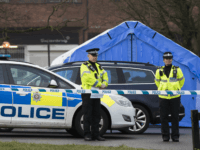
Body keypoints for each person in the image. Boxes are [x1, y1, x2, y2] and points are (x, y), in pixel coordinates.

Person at [154, 52, 185, 142]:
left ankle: (175, 136)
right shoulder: (159, 70)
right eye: (166, 59)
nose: (168, 60)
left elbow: (182, 81)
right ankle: (165, 136)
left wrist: (176, 88)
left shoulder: (177, 69)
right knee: (163, 117)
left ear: (172, 59)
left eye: (170, 58)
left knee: (175, 117)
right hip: (163, 97)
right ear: (164, 60)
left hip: (175, 97)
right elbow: (157, 82)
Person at [80, 48, 108, 141]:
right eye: (93, 56)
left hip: (97, 93)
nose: (94, 57)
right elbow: (88, 79)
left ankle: (96, 134)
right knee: (87, 114)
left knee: (97, 114)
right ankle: (87, 134)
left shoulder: (99, 66)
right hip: (88, 92)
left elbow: (105, 75)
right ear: (88, 56)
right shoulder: (84, 66)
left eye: (96, 56)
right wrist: (101, 84)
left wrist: (105, 84)